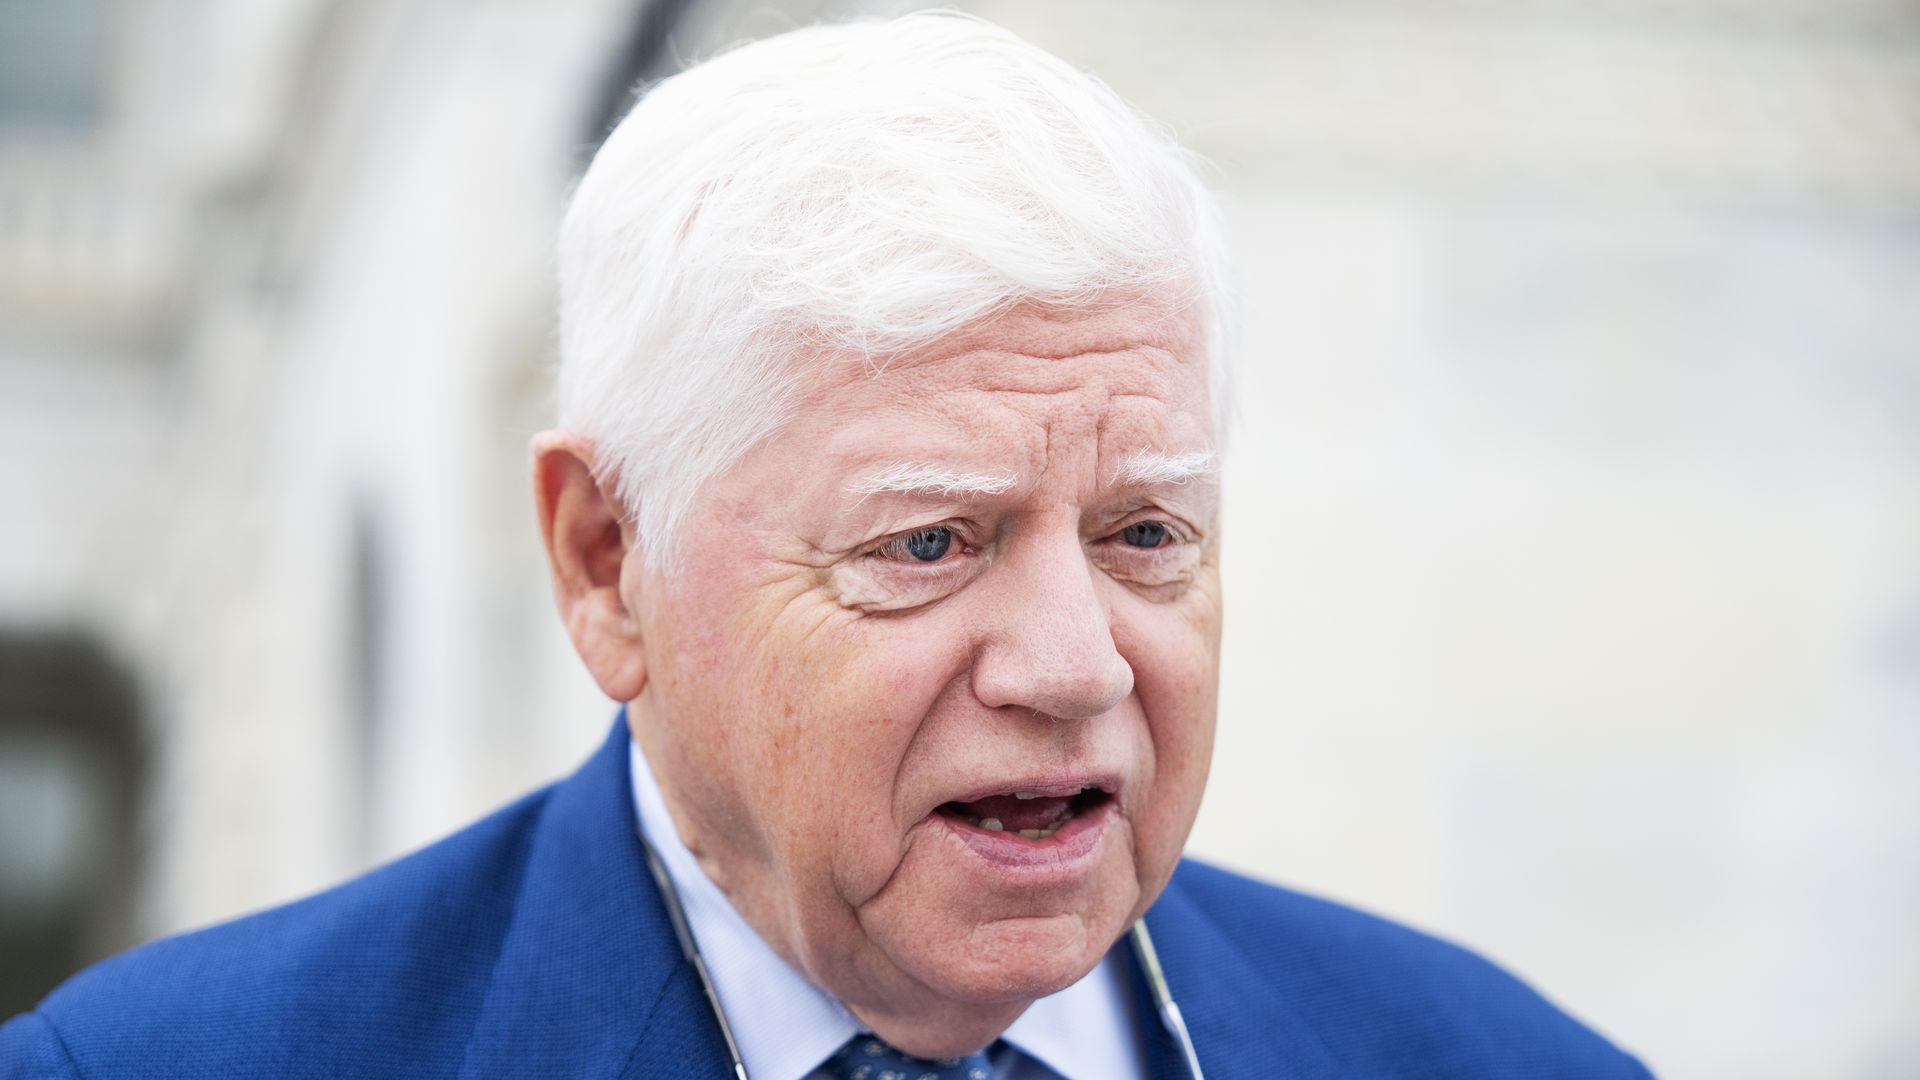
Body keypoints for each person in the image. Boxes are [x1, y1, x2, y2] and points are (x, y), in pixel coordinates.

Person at [1, 13, 1652, 1079]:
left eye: (1146, 531)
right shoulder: (165, 1067)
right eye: (931, 541)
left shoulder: (1504, 1062)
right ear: (603, 564)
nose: (1076, 664)